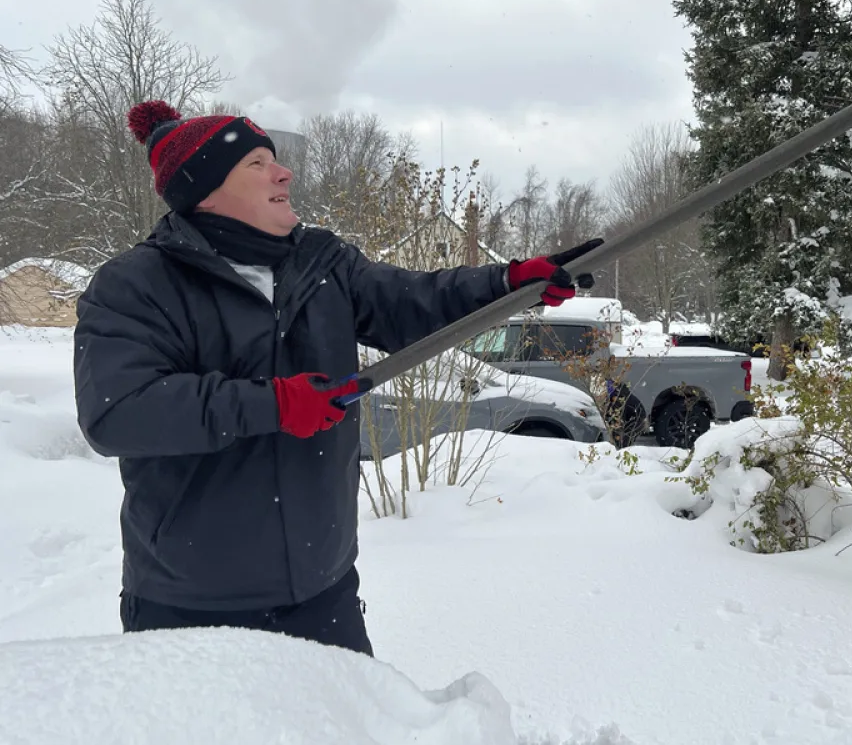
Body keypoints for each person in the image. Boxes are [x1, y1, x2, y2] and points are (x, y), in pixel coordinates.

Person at [72, 100, 601, 657]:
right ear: (204, 188)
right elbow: (119, 411)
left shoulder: (322, 264)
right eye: (256, 163)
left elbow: (411, 305)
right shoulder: (137, 284)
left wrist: (507, 283)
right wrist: (273, 405)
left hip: (322, 595)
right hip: (190, 606)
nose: (284, 172)